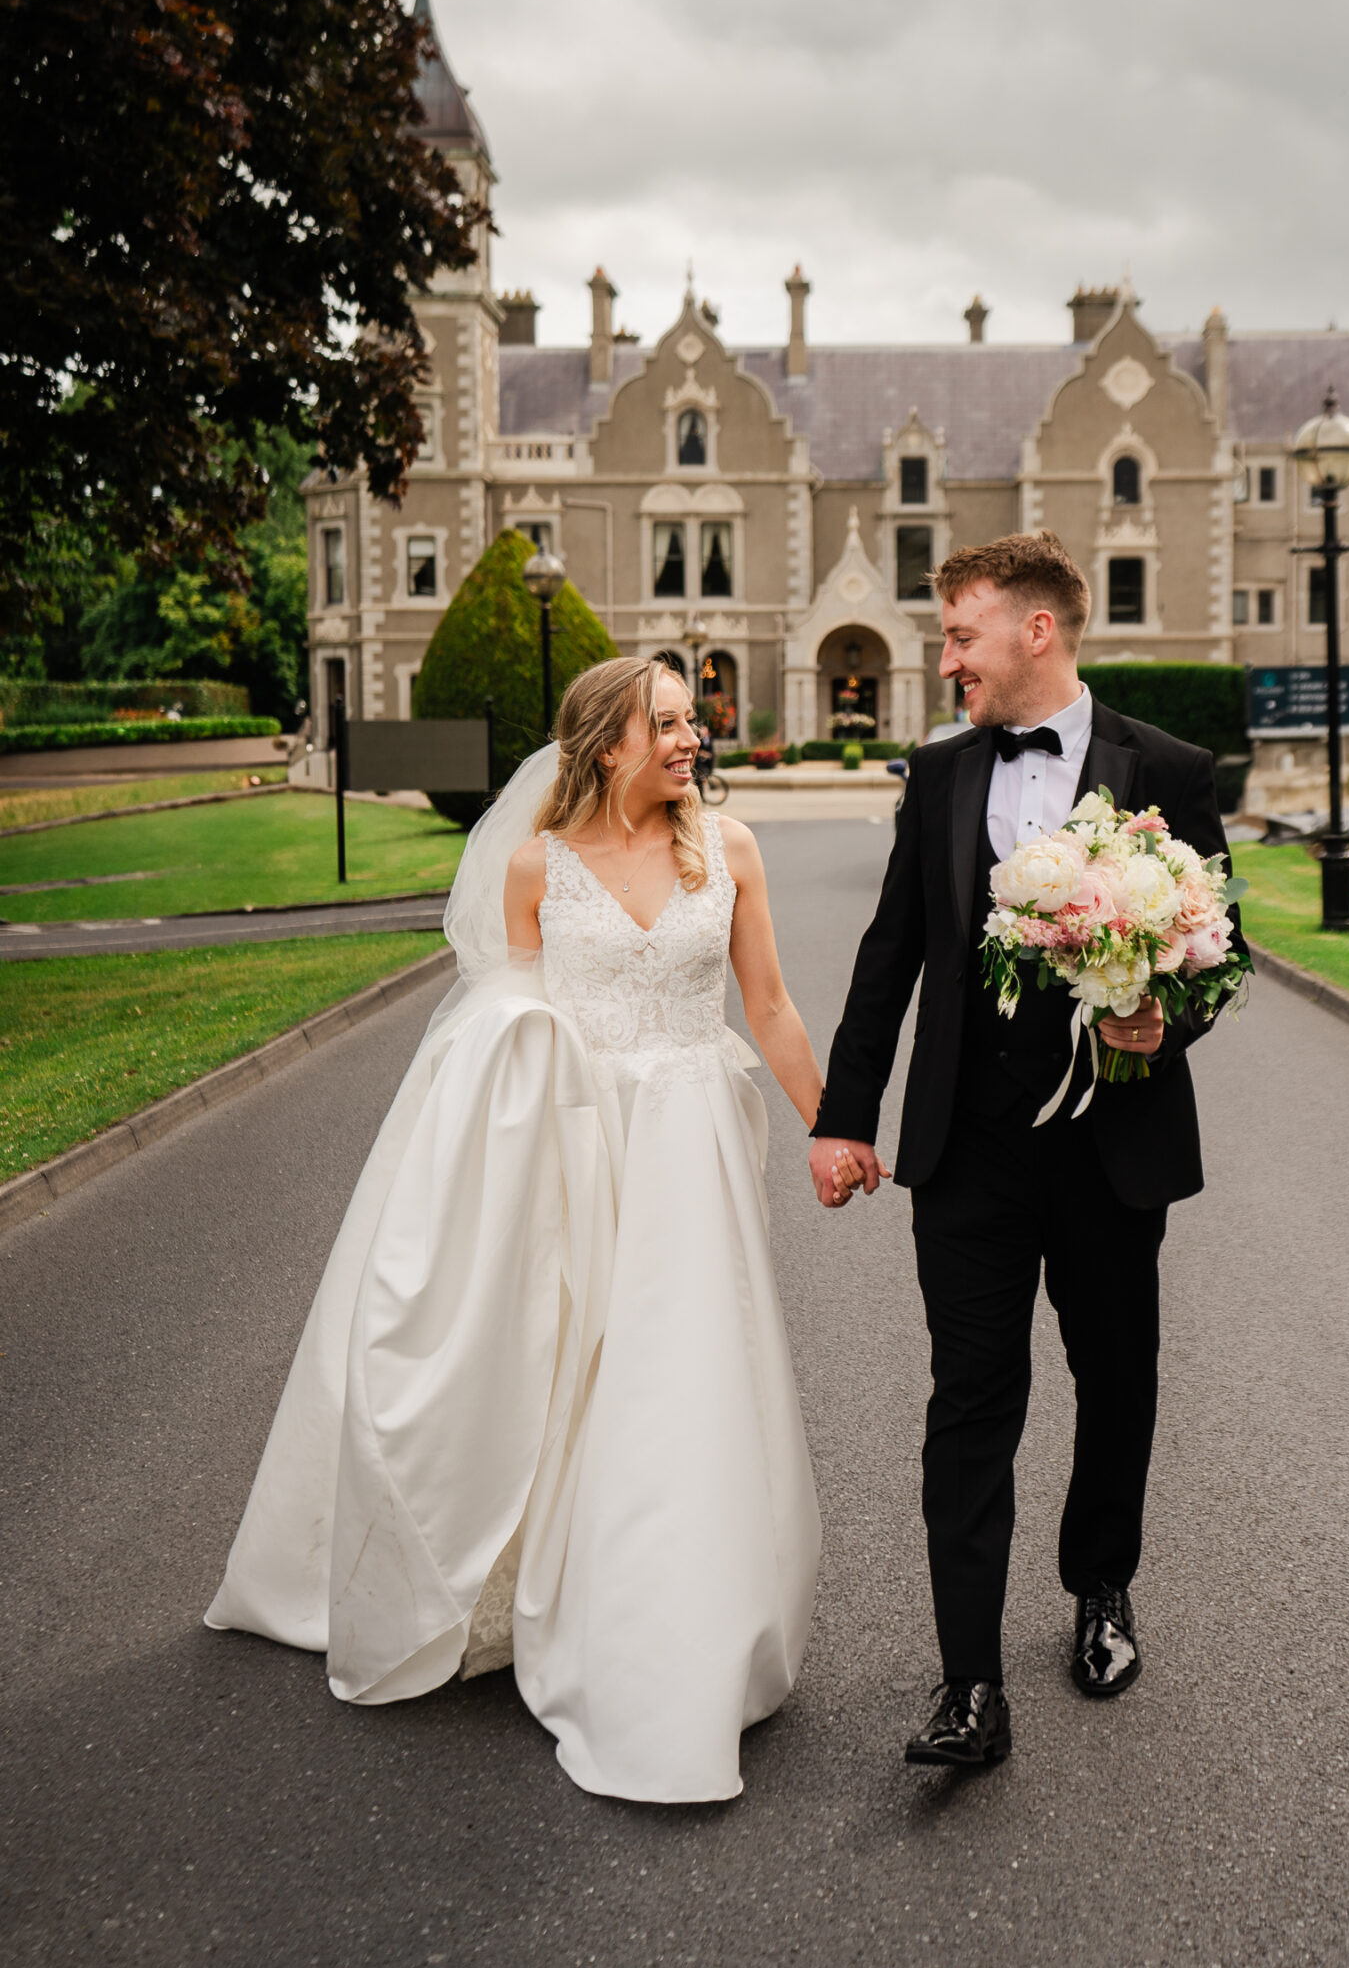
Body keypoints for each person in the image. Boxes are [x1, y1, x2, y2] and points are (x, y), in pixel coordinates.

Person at [208, 657, 853, 1803]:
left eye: (690, 721)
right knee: (569, 1373)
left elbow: (769, 1007)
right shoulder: (532, 870)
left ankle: (675, 1627)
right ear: (607, 744)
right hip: (574, 1149)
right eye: (666, 723)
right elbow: (495, 1033)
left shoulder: (732, 850)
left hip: (692, 1146)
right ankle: (534, 1572)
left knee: (679, 1378)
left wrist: (834, 1125)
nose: (690, 737)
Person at [809, 531, 1241, 1771]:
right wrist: (845, 1113)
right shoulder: (937, 778)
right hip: (969, 1153)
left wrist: (1170, 1015)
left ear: (1035, 632)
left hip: (1114, 1148)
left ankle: (1100, 1592)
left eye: (960, 635)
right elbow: (889, 958)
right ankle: (969, 1682)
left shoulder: (1167, 768)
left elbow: (1224, 952)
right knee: (970, 1402)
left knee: (1116, 1383)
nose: (944, 659)